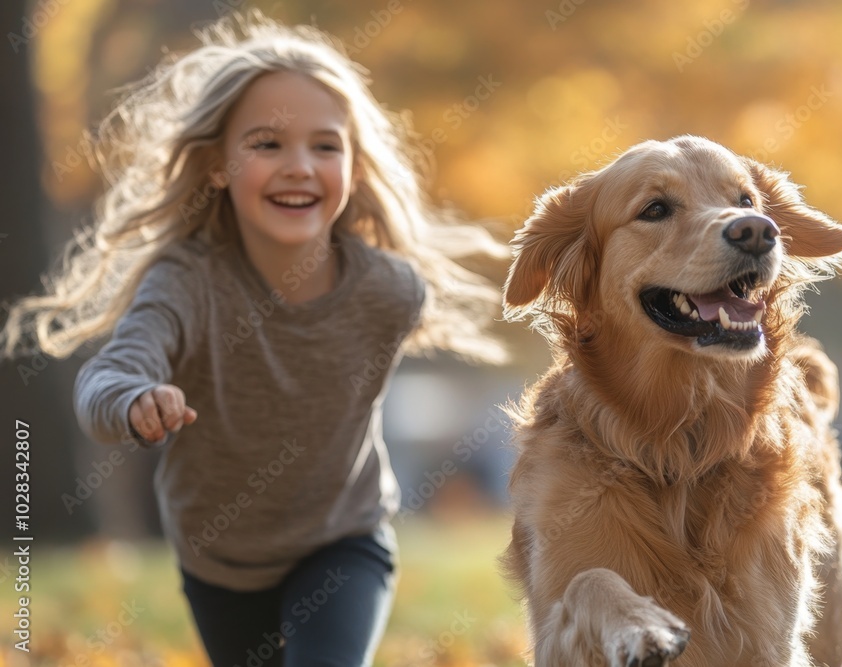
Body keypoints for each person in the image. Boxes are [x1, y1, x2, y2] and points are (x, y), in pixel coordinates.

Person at [1, 10, 506, 666]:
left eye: (325, 146)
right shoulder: (185, 282)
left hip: (343, 540)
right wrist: (132, 399)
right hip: (221, 559)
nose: (299, 166)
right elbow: (108, 376)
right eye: (267, 144)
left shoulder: (388, 292)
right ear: (215, 166)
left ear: (352, 167)